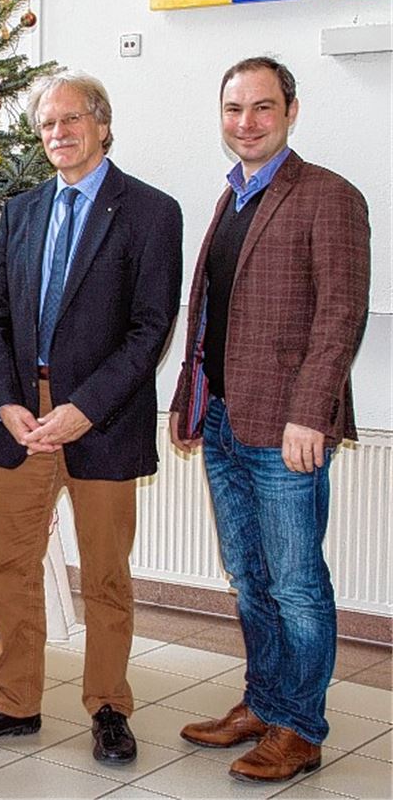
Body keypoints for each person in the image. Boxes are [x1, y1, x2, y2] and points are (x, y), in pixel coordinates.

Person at [0, 69, 183, 766]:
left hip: (100, 418)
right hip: (22, 417)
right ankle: (15, 700)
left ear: (102, 124)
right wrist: (6, 401)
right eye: (47, 124)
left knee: (105, 572)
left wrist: (84, 408)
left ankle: (109, 705)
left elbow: (150, 327)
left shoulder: (149, 211)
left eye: (71, 120)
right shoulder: (20, 212)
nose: (58, 134)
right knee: (13, 564)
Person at [170, 56, 370, 783]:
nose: (245, 122)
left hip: (287, 429)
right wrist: (190, 402)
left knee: (295, 584)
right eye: (233, 109)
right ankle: (264, 701)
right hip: (224, 419)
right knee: (249, 577)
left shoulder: (327, 196)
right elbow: (210, 316)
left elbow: (340, 316)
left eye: (260, 107)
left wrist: (310, 413)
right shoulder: (233, 197)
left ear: (290, 109)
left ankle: (301, 727)